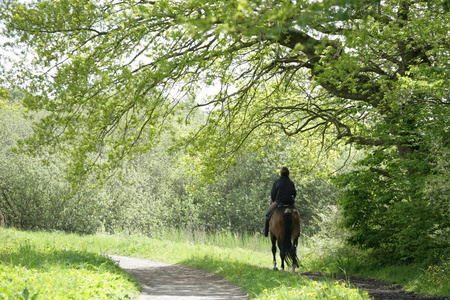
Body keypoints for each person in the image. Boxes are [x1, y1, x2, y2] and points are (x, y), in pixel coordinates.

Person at [264, 166, 296, 237]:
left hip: (279, 202)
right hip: (290, 203)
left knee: (267, 214)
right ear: (288, 173)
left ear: (281, 173)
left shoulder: (277, 182)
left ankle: (266, 232)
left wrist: (275, 200)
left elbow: (273, 195)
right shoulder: (291, 182)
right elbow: (294, 193)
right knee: (297, 214)